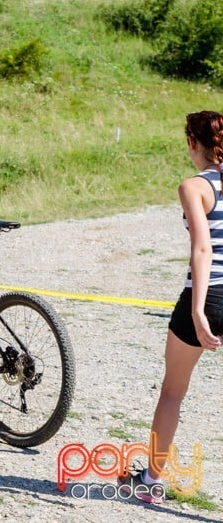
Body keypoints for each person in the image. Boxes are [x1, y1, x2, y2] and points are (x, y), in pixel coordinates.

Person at [117, 110, 223, 504]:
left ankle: (152, 479)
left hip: (209, 294)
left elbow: (202, 248)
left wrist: (197, 311)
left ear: (192, 143)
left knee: (173, 392)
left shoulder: (193, 186)